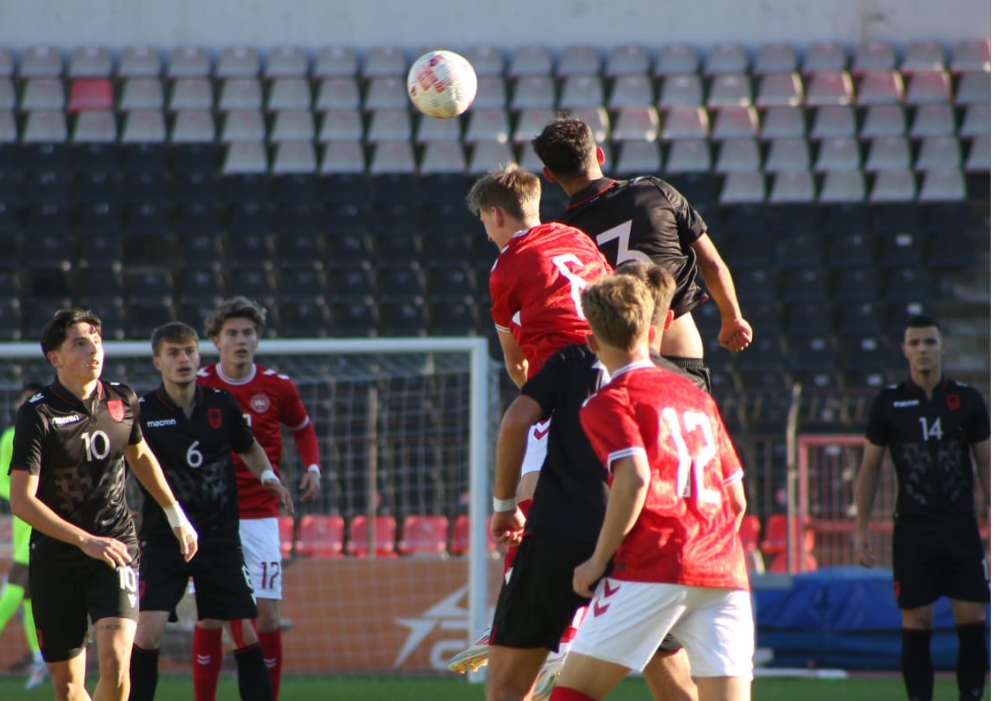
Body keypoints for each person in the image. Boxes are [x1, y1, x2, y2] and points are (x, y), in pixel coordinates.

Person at [485, 263, 701, 701]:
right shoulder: (678, 382)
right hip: (637, 545)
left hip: (558, 534)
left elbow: (516, 421)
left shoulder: (573, 359)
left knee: (509, 687)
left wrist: (505, 505)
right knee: (676, 686)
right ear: (661, 318)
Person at [550, 275, 753, 701]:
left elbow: (636, 477)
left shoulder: (609, 400)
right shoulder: (696, 396)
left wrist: (596, 561)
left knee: (573, 693)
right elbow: (736, 499)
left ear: (591, 341)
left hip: (653, 564)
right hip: (724, 572)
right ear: (650, 330)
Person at [450, 164, 613, 678]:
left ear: (496, 214)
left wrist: (535, 395)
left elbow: (514, 356)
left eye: (483, 221)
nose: (486, 231)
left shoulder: (507, 265)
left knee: (529, 509)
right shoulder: (577, 238)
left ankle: (552, 639)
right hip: (613, 368)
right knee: (534, 494)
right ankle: (517, 623)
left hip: (564, 379)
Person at [8, 308, 198, 701]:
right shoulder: (37, 414)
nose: (93, 347)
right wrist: (83, 540)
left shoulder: (122, 399)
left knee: (116, 662)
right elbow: (22, 502)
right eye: (80, 342)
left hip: (115, 548)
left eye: (96, 338)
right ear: (55, 357)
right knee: (70, 688)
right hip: (57, 556)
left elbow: (141, 456)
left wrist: (174, 513)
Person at [131, 322, 296, 701]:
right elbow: (125, 464)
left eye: (189, 351)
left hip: (220, 538)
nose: (183, 359)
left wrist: (267, 474)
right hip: (164, 539)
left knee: (245, 630)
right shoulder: (143, 412)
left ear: (198, 356)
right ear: (158, 361)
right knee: (148, 631)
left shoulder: (221, 404)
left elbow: (250, 447)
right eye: (173, 353)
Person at [531, 116, 753, 392]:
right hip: (679, 356)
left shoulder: (564, 235)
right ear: (599, 155)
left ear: (549, 174)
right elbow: (712, 262)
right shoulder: (654, 191)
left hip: (615, 370)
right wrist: (731, 318)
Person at [854, 314, 990, 701]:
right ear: (904, 350)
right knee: (917, 619)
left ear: (941, 346)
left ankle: (972, 695)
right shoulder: (888, 403)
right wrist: (861, 526)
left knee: (973, 617)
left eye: (929, 342)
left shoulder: (967, 400)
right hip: (912, 531)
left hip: (961, 527)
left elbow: (986, 463)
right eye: (914, 343)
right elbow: (870, 466)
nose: (923, 350)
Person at [196, 296, 323, 701]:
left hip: (260, 516)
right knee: (211, 616)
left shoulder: (277, 386)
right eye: (231, 333)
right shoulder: (197, 384)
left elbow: (302, 428)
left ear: (257, 338)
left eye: (248, 333)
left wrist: (313, 468)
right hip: (210, 515)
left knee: (267, 616)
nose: (241, 340)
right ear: (216, 340)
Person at [0, 382, 48, 690]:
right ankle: (40, 657)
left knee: (25, 592)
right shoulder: (10, 438)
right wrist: (26, 496)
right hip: (25, 524)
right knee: (22, 590)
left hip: (51, 523)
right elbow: (2, 482)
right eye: (23, 401)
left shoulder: (52, 436)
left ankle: (40, 657)